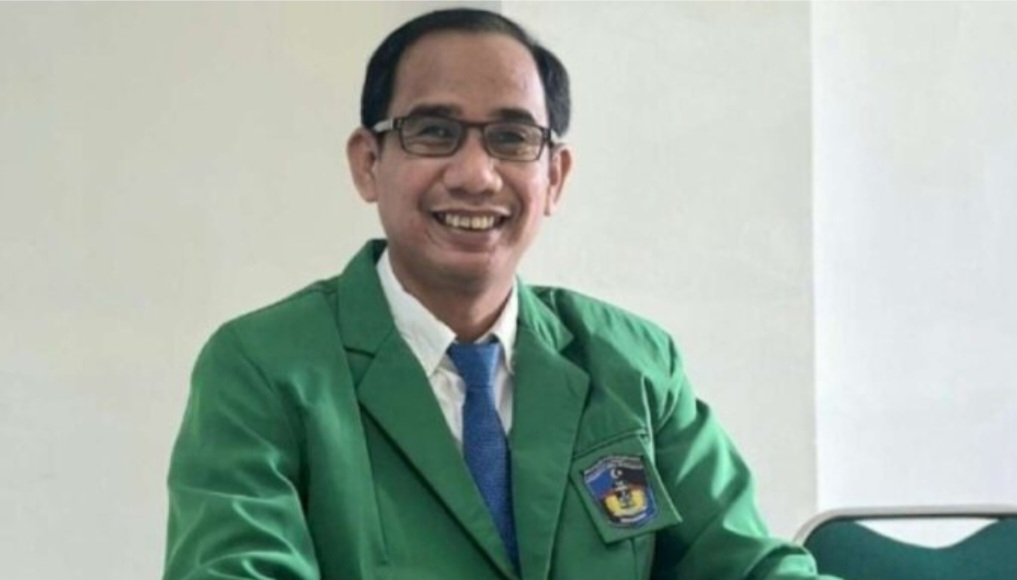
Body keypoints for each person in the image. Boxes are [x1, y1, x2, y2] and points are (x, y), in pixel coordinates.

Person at [164, 8, 838, 580]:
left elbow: (743, 563)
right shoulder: (262, 366)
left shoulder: (632, 363)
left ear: (555, 176)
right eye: (434, 132)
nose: (476, 175)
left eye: (512, 138)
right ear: (368, 163)